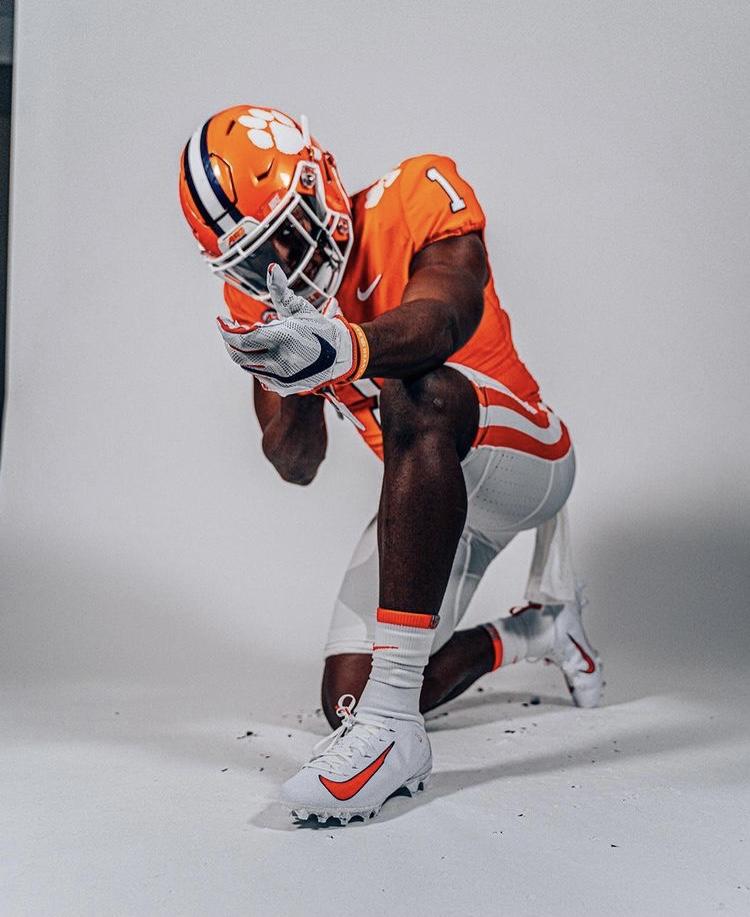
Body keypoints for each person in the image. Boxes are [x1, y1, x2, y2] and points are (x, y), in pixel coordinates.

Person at [178, 104, 603, 824]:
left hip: (519, 457)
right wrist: (300, 380)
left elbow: (444, 318)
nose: (278, 264)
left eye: (283, 233)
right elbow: (294, 462)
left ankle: (394, 728)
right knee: (345, 698)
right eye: (254, 258)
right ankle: (533, 631)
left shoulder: (414, 193)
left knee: (420, 389)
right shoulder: (258, 297)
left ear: (322, 180)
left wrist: (341, 347)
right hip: (432, 504)